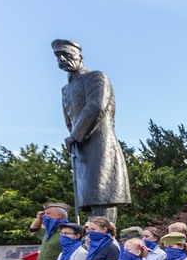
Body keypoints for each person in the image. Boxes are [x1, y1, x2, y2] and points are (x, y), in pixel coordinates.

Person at [52, 39, 131, 223]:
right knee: (88, 201)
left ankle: (104, 240)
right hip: (81, 149)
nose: (62, 59)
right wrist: (74, 139)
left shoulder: (96, 77)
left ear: (80, 56)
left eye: (67, 54)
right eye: (58, 56)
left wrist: (75, 136)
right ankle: (92, 241)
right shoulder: (66, 89)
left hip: (100, 147)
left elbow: (95, 107)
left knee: (102, 196)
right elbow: (69, 118)